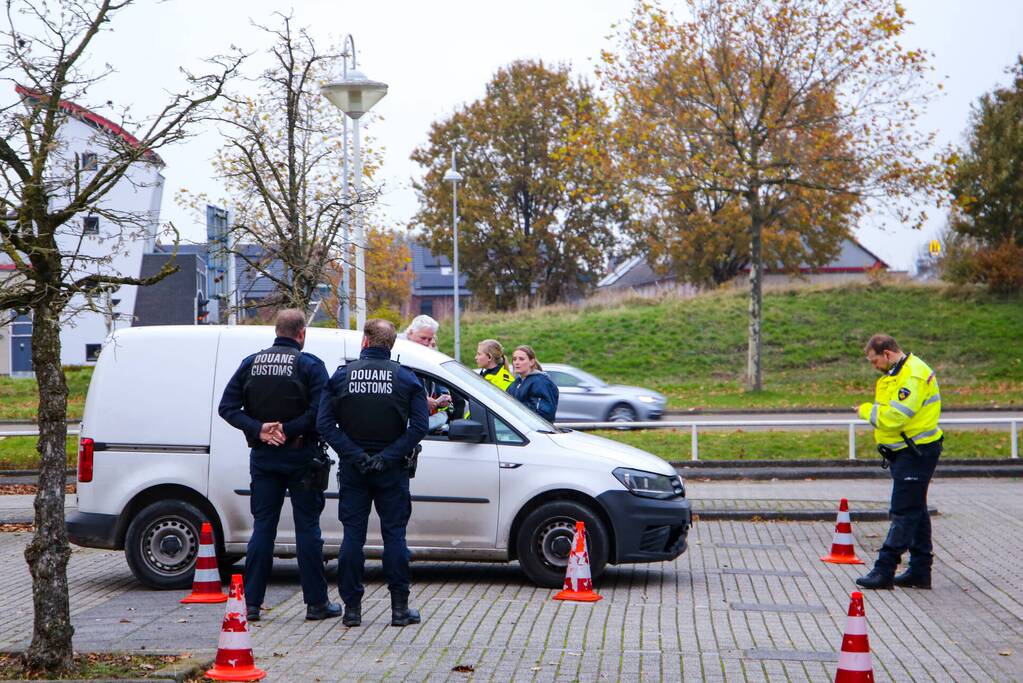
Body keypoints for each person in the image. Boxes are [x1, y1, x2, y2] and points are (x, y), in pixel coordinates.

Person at [218, 309, 341, 622]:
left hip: (264, 457)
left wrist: (259, 428)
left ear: (277, 330)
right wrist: (288, 430)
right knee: (307, 530)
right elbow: (320, 413)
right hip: (303, 457)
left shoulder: (251, 363)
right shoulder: (310, 365)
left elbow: (227, 407)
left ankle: (251, 605)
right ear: (301, 333)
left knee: (263, 530)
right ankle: (316, 604)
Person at [317, 319, 429, 627]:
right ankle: (399, 609)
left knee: (353, 537)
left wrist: (355, 455)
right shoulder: (407, 379)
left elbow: (324, 424)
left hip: (355, 470)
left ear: (365, 342)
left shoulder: (341, 377)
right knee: (395, 537)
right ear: (391, 345)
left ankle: (352, 609)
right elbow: (420, 426)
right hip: (392, 470)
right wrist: (388, 457)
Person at [854, 334, 943, 590]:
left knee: (903, 511)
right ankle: (920, 570)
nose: (874, 366)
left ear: (888, 354)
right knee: (917, 509)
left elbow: (896, 416)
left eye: (875, 361)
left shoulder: (913, 375)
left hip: (916, 451)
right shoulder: (897, 374)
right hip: (906, 451)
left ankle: (884, 569)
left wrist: (865, 411)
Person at [508, 345, 559, 422]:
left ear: (532, 362)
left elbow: (544, 414)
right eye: (514, 359)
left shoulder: (540, 382)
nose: (516, 362)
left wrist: (515, 409)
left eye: (521, 359)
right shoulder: (515, 383)